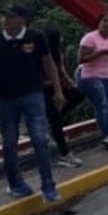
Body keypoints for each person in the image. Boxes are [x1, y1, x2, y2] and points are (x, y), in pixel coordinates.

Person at [0, 4, 62, 203]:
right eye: (4, 17)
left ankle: (48, 185)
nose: (6, 21)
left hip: (32, 94)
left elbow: (48, 63)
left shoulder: (36, 37)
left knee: (40, 139)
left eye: (10, 17)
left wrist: (58, 90)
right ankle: (16, 183)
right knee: (9, 142)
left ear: (22, 19)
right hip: (5, 98)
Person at [77, 11, 108, 151]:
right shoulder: (89, 38)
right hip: (90, 75)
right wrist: (101, 52)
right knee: (102, 105)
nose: (107, 24)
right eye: (104, 21)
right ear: (99, 23)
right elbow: (81, 59)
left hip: (106, 74)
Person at [42, 27, 86, 168]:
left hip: (57, 86)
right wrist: (56, 84)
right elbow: (37, 78)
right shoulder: (40, 54)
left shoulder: (56, 53)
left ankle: (55, 118)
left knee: (78, 95)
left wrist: (67, 81)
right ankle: (64, 154)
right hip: (43, 88)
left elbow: (60, 68)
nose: (62, 39)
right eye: (59, 37)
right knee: (55, 119)